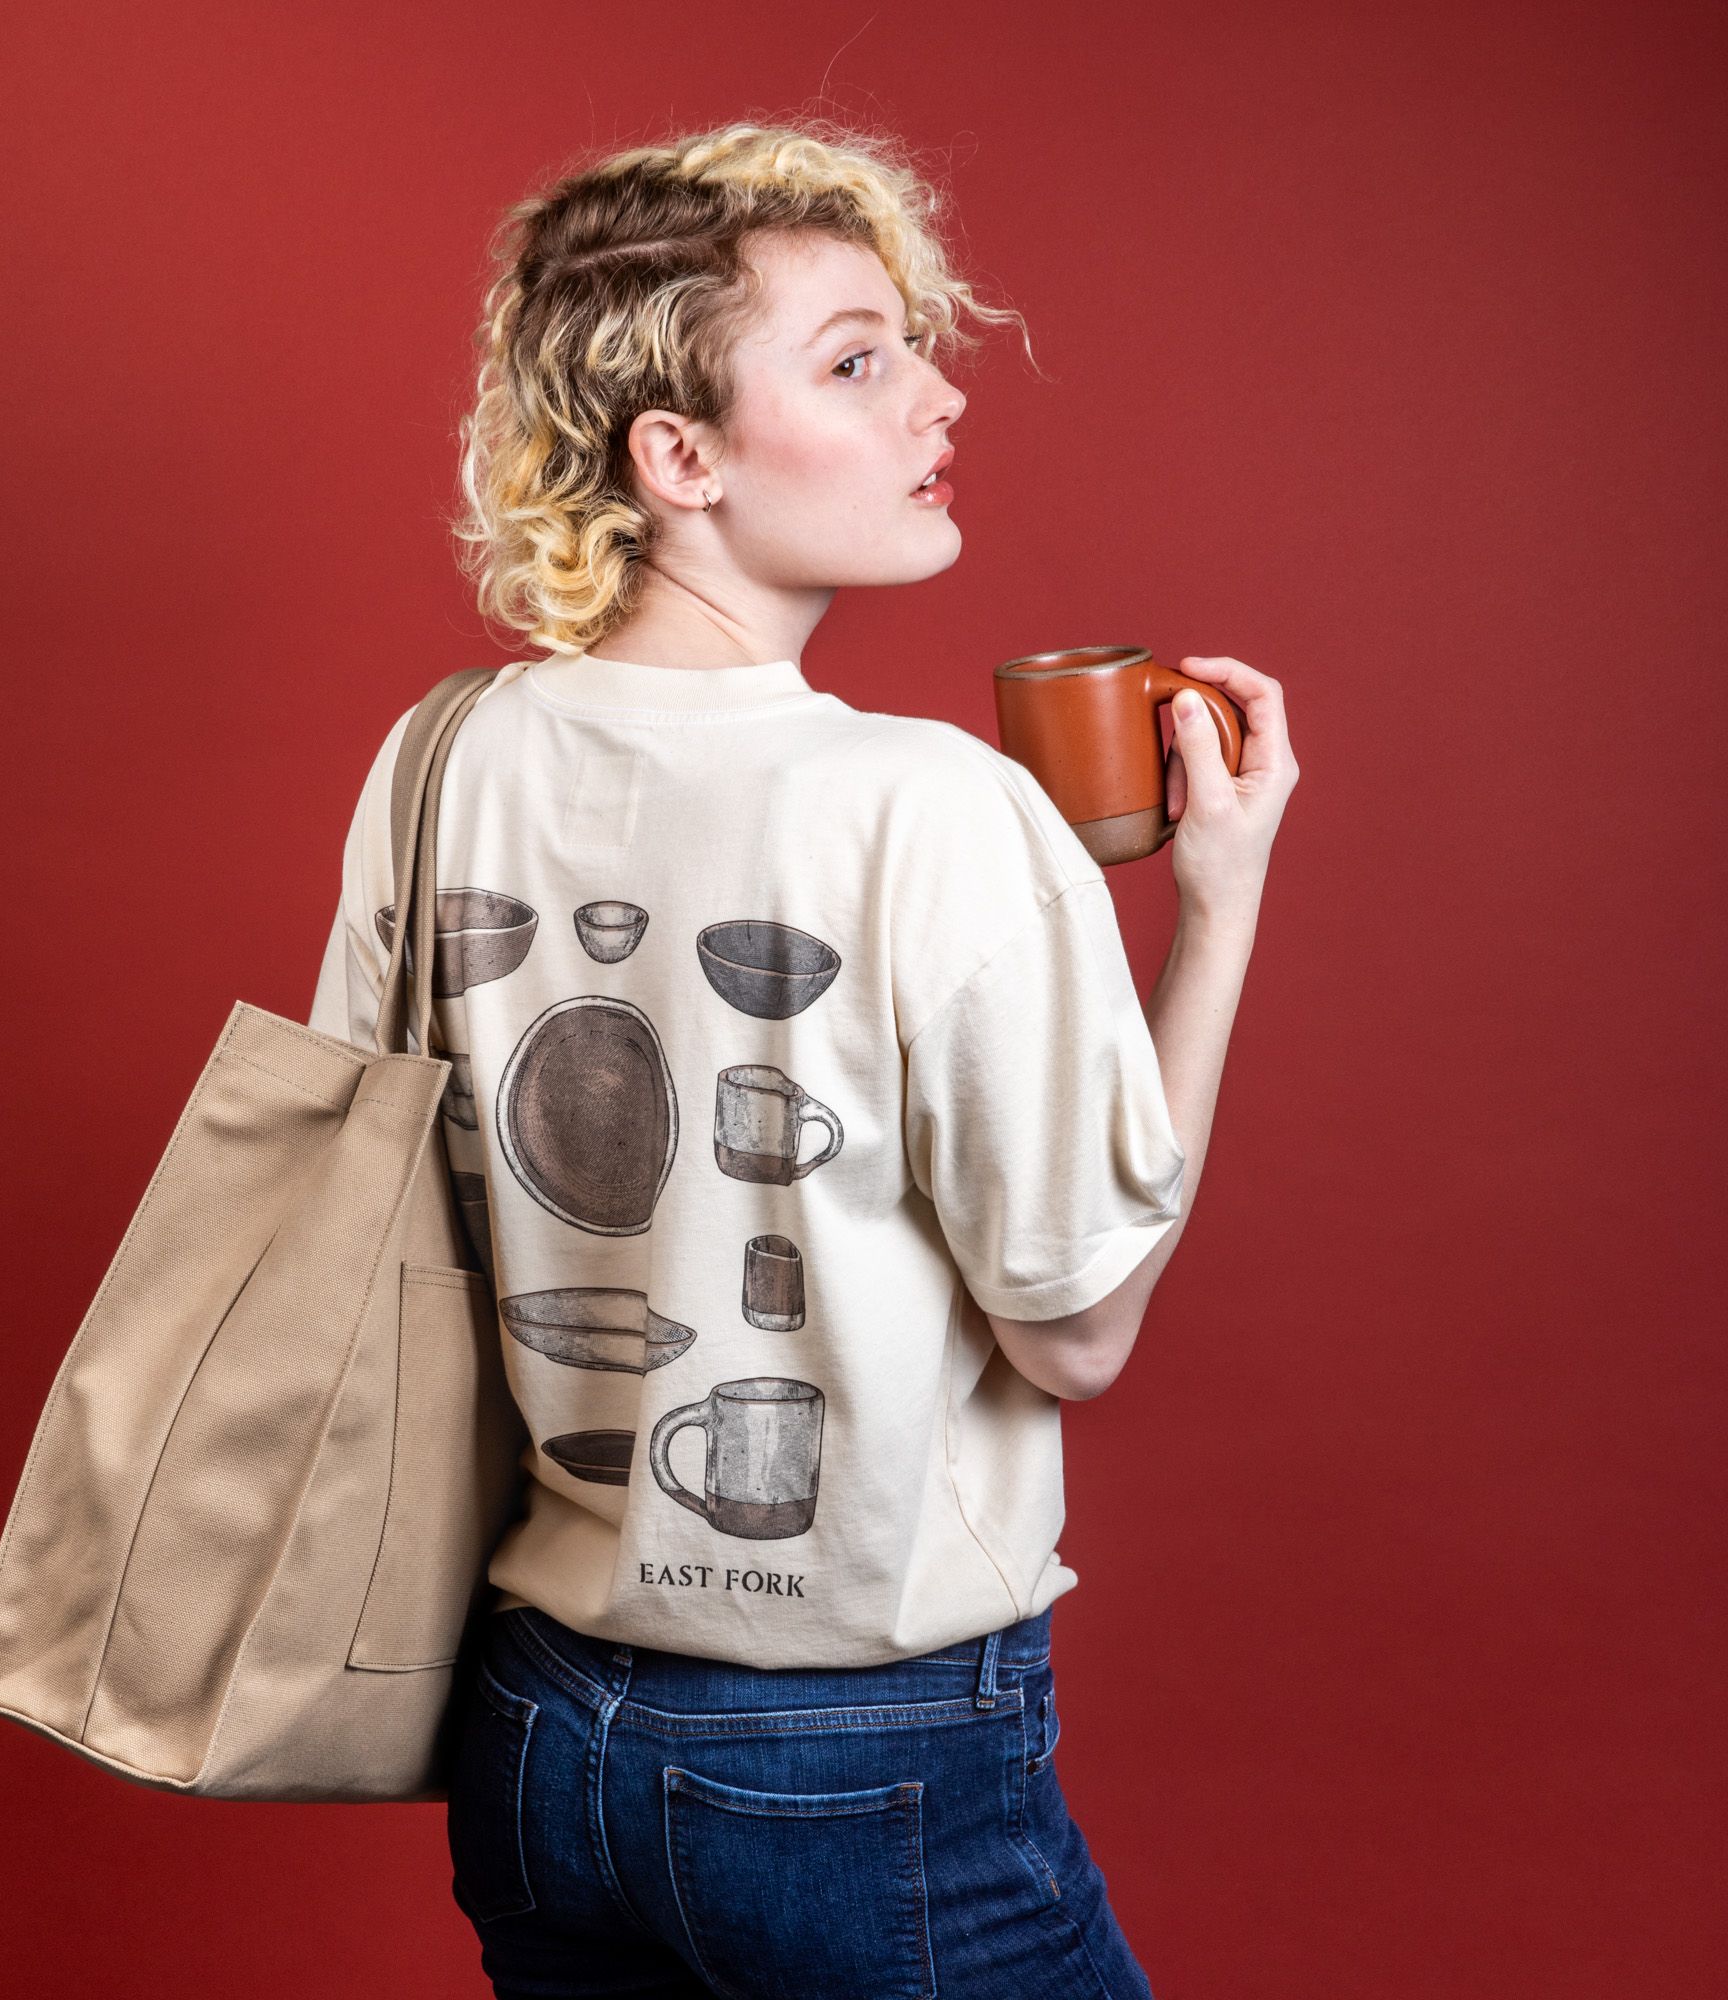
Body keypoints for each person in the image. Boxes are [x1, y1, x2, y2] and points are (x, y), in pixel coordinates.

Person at [308, 116, 1297, 2000]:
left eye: (914, 345)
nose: (938, 396)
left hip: (530, 1728)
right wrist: (1218, 908)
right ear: (676, 459)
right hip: (862, 1757)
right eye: (856, 359)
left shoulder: (441, 757)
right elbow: (1076, 1328)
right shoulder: (933, 805)